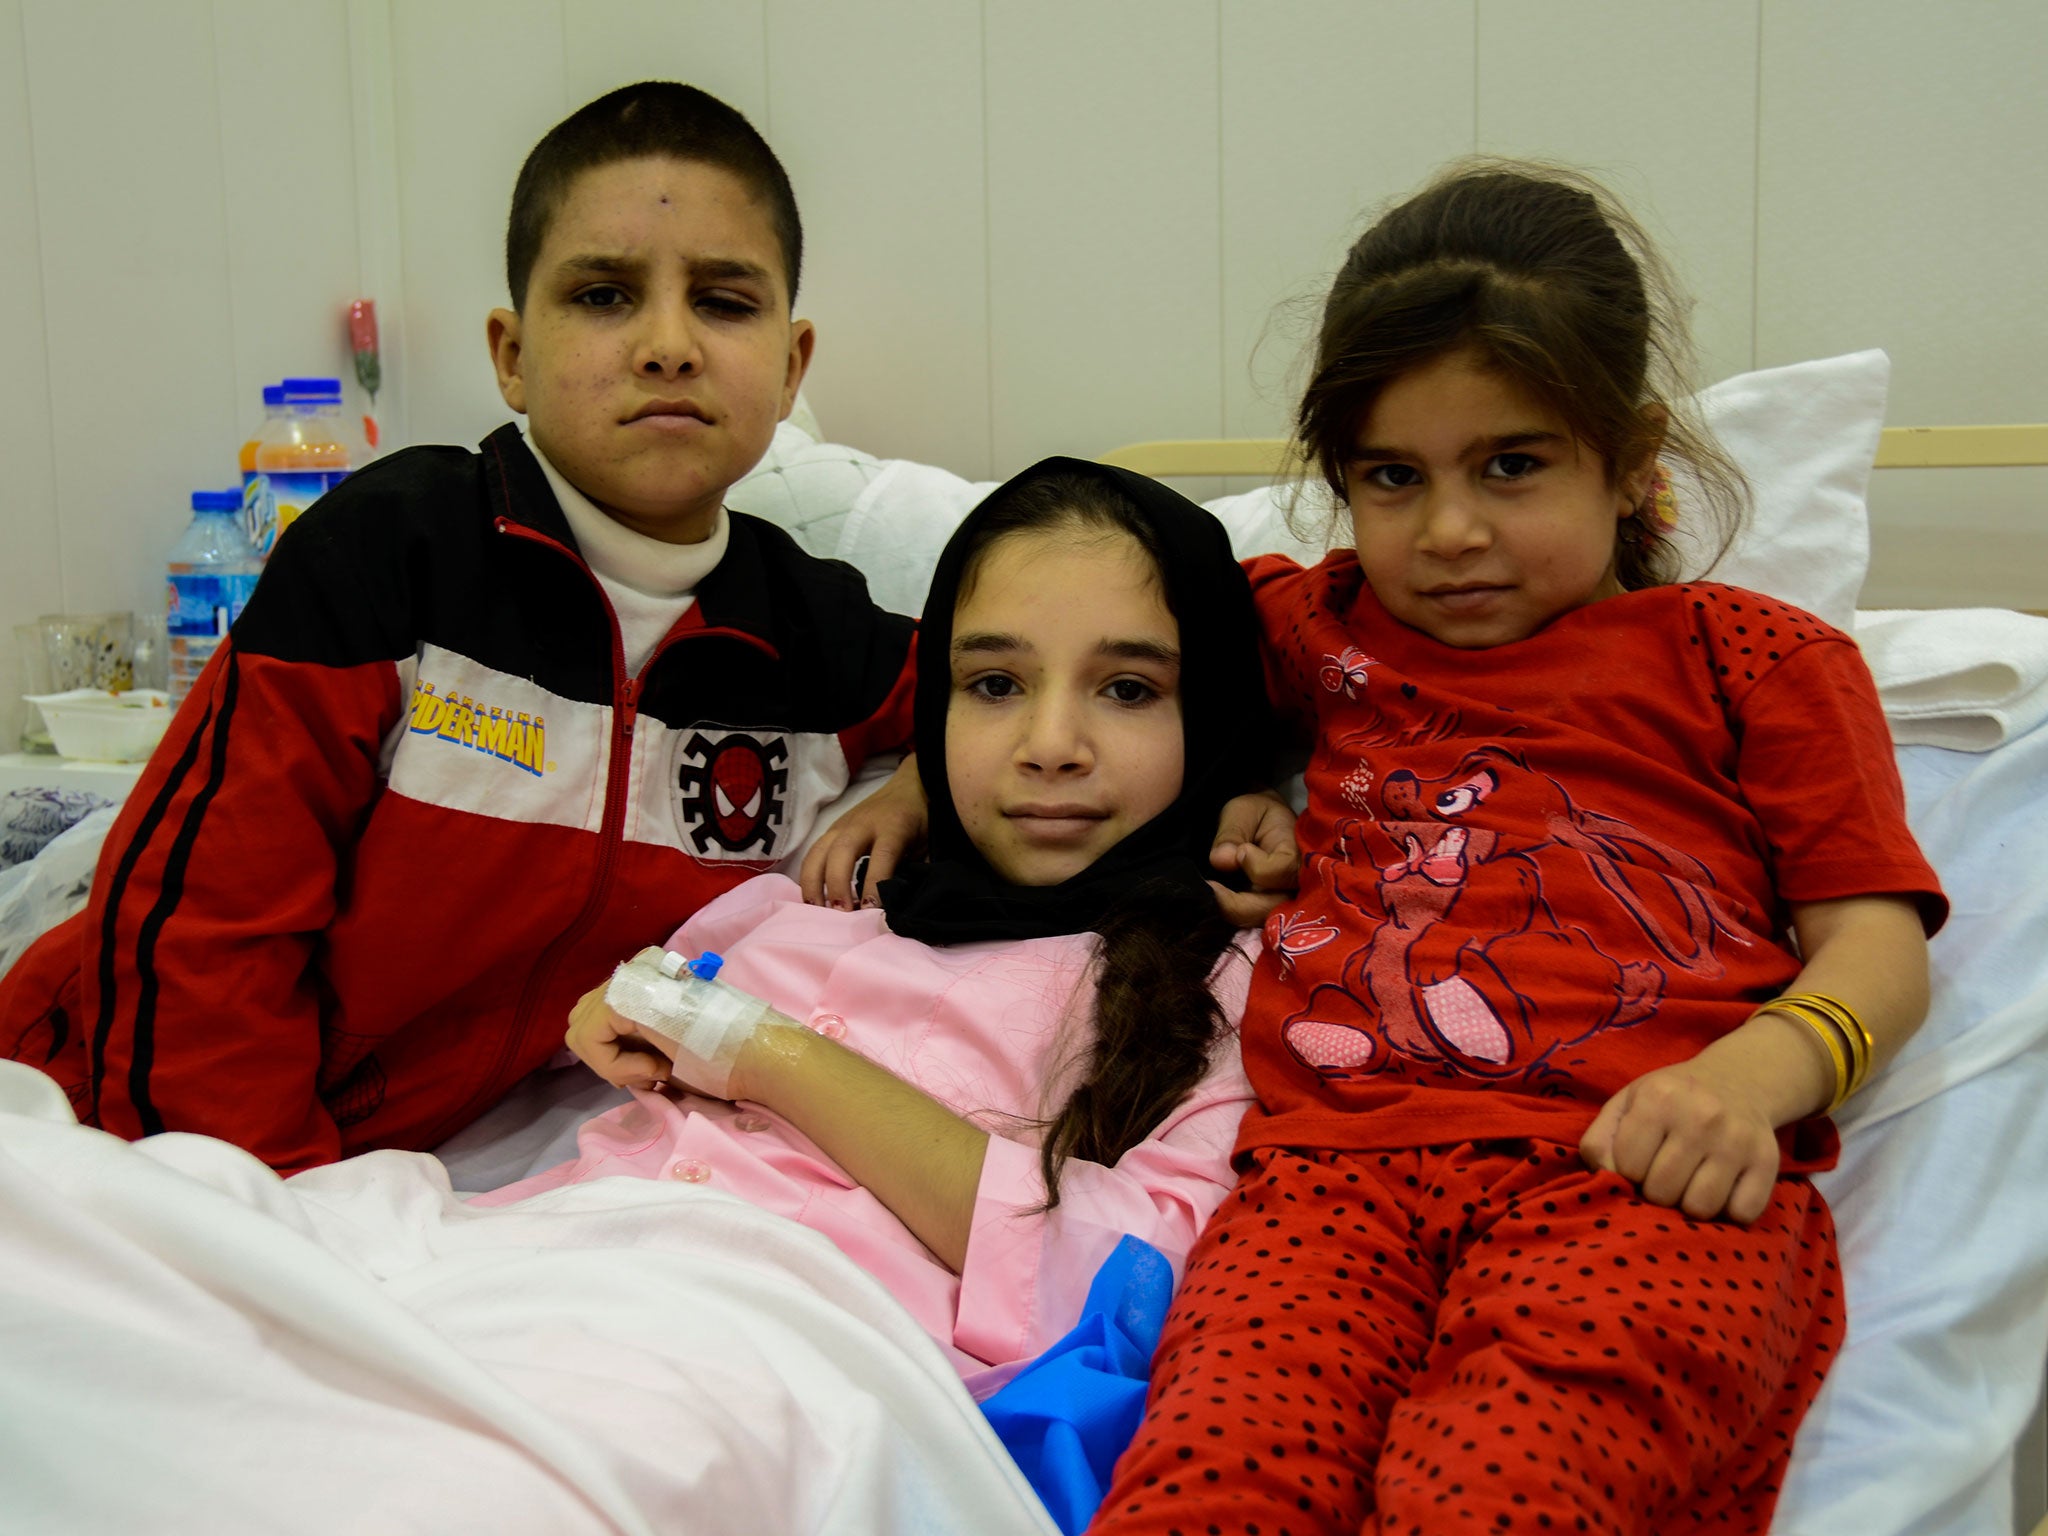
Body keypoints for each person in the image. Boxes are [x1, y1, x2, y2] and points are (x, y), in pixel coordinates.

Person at [1088, 162, 1950, 1535]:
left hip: (1638, 1179)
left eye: (1513, 465)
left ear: (1631, 454)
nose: (1449, 532)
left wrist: (1748, 1081)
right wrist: (908, 792)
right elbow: (1061, 646)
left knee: (1504, 1502)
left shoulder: (1754, 661)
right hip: (1324, 1193)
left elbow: (1879, 947)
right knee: (1207, 1498)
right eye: (1391, 477)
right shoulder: (1324, 630)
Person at [0, 83, 916, 1174]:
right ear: (511, 353)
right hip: (114, 1108)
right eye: (604, 295)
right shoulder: (392, 557)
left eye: (723, 301)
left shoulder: (816, 636)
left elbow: (1047, 704)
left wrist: (922, 781)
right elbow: (204, 935)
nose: (668, 344)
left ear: (790, 365)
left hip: (426, 1163)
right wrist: (277, 1213)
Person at [479, 457, 1277, 1381]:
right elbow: (645, 1013)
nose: (1050, 748)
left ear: (1213, 712)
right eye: (994, 685)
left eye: (1128, 690)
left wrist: (778, 1061)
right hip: (521, 1271)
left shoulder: (1224, 994)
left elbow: (1134, 1288)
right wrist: (617, 1015)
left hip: (766, 1370)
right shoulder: (818, 900)